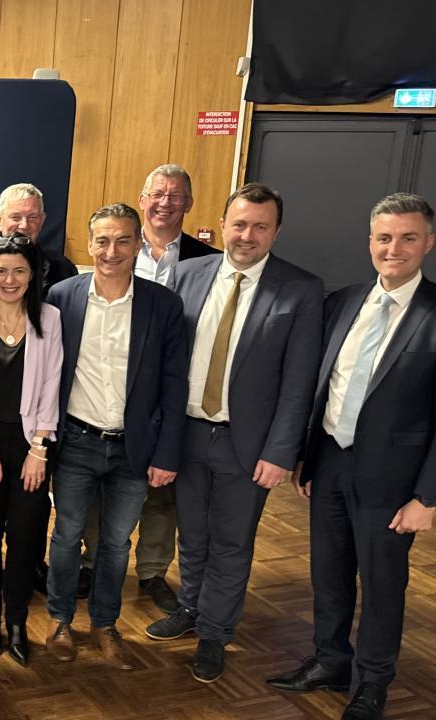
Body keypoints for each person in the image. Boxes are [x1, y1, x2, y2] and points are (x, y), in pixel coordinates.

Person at [266, 193, 436, 720]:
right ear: (370, 241)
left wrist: (427, 498)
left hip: (394, 482)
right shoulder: (344, 302)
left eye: (407, 238)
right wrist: (308, 457)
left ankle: (373, 680)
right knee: (329, 574)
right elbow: (323, 386)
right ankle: (330, 660)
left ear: (428, 243)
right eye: (384, 237)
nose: (394, 248)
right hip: (330, 463)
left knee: (382, 585)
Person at [146, 183, 323, 684]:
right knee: (192, 533)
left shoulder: (301, 289)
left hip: (249, 444)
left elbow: (299, 381)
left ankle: (215, 632)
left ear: (276, 232)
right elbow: (166, 361)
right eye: (239, 224)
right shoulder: (187, 274)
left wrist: (281, 451)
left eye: (260, 227)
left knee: (231, 541)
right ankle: (190, 607)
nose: (247, 235)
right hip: (187, 433)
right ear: (223, 224)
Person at [43, 204, 187, 671]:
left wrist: (167, 453)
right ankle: (60, 620)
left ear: (139, 244)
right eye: (102, 240)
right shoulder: (61, 297)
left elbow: (174, 384)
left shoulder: (162, 304)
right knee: (66, 536)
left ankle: (105, 625)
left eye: (123, 240)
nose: (112, 251)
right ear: (89, 245)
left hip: (133, 448)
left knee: (116, 543)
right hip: (76, 441)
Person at [0, 238, 62, 666]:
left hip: (31, 446)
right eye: (1, 270)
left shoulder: (49, 317)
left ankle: (17, 620)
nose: (10, 279)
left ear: (32, 275)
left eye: (19, 271)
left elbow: (52, 384)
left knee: (24, 538)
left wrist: (39, 449)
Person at [0, 183, 78, 298]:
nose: (24, 225)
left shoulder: (63, 270)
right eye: (15, 217)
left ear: (42, 220)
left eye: (32, 217)